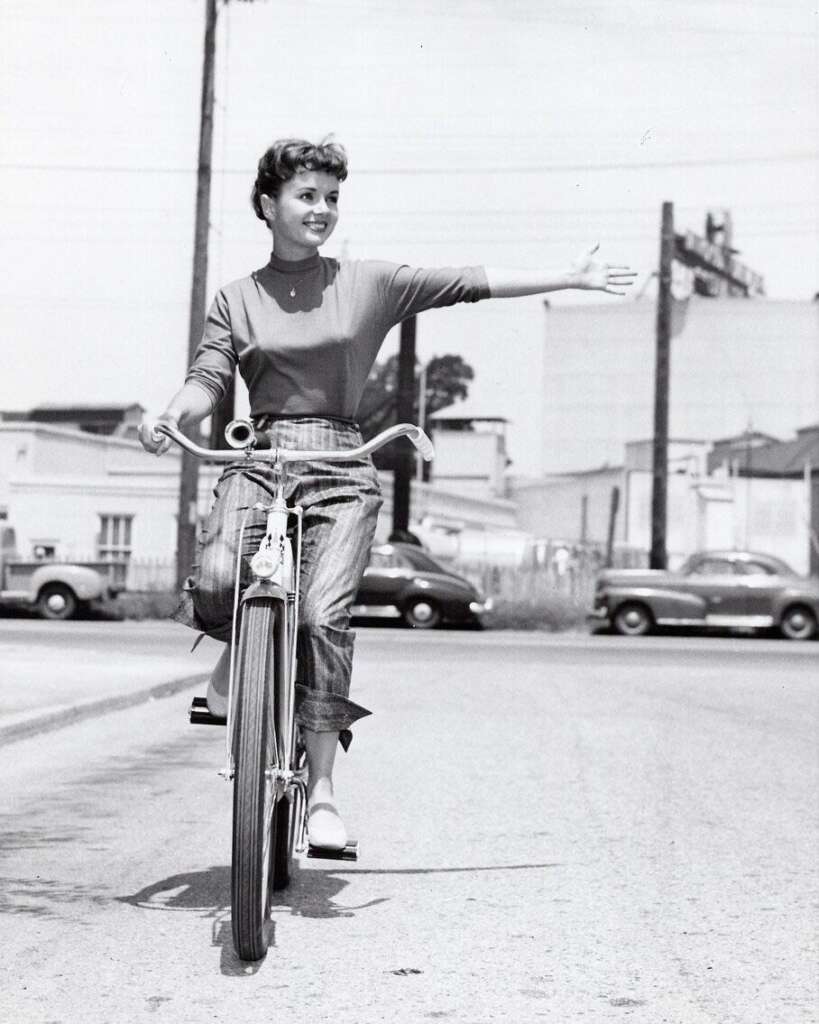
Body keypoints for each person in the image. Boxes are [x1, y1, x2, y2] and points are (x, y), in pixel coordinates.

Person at [139, 137, 635, 851]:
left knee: (320, 618)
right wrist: (171, 416)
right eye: (306, 196)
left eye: (331, 198)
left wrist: (569, 275)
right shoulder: (235, 299)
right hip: (261, 455)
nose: (321, 210)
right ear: (267, 204)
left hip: (343, 459)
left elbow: (465, 280)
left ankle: (323, 793)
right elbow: (209, 378)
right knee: (217, 580)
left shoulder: (367, 282)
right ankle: (240, 647)